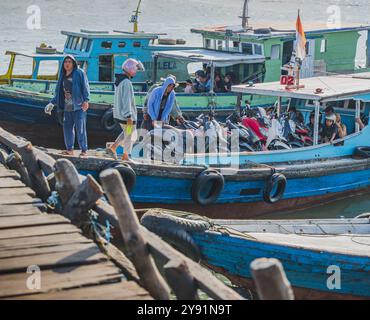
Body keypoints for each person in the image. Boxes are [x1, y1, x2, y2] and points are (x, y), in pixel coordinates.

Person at [45, 55, 90, 157]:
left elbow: (85, 86)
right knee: (67, 128)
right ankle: (69, 149)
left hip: (79, 106)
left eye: (69, 61)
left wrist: (86, 100)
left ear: (73, 63)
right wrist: (52, 103)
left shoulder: (79, 73)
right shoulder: (62, 75)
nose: (67, 64)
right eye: (65, 62)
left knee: (81, 129)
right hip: (67, 106)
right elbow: (59, 92)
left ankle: (84, 150)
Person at [106, 58, 145, 161]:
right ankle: (125, 156)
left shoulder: (120, 81)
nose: (136, 71)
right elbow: (126, 100)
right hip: (126, 116)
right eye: (136, 68)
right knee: (130, 135)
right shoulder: (127, 82)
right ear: (131, 69)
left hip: (120, 114)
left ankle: (113, 147)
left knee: (127, 133)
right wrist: (129, 116)